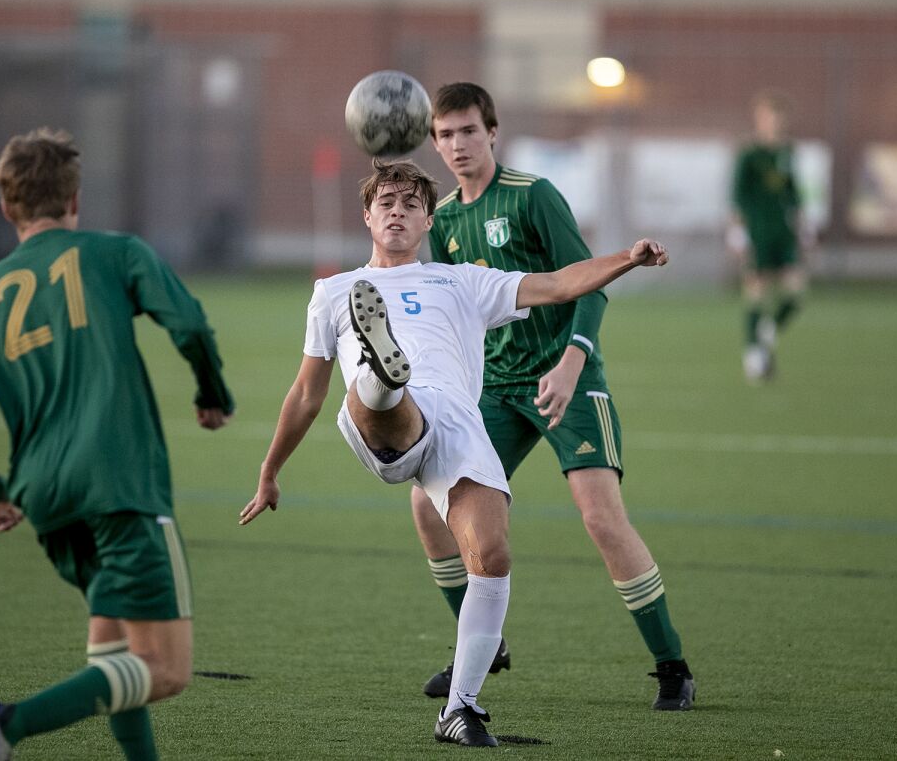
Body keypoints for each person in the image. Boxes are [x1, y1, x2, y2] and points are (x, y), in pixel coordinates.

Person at [239, 157, 669, 746]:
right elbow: (307, 394)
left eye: (410, 205)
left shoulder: (463, 279)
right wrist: (270, 471)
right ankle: (382, 374)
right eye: (385, 202)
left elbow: (557, 283)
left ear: (426, 222)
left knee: (491, 557)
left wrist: (628, 258)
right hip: (384, 422)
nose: (397, 211)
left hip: (460, 429)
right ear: (366, 217)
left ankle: (460, 710)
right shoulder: (334, 292)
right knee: (391, 395)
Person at [0, 127, 234, 761]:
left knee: (114, 654)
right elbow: (190, 322)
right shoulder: (113, 253)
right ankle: (5, 725)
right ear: (75, 198)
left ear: (7, 208)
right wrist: (211, 391)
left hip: (47, 499)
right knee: (165, 670)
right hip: (119, 483)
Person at [412, 81, 695, 711]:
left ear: (493, 132)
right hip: (496, 388)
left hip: (569, 377)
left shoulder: (533, 196)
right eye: (445, 134)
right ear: (434, 142)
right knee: (429, 508)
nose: (457, 144)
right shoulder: (446, 217)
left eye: (468, 131)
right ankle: (482, 643)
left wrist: (572, 363)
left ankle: (672, 665)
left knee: (600, 518)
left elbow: (586, 285)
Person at [728, 90, 814, 383]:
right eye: (769, 118)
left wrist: (804, 227)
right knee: (756, 292)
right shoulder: (749, 155)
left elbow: (793, 193)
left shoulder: (787, 152)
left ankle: (768, 331)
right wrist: (738, 233)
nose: (774, 124)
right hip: (758, 232)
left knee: (796, 292)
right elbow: (737, 196)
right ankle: (753, 354)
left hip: (783, 232)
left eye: (778, 118)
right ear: (760, 120)